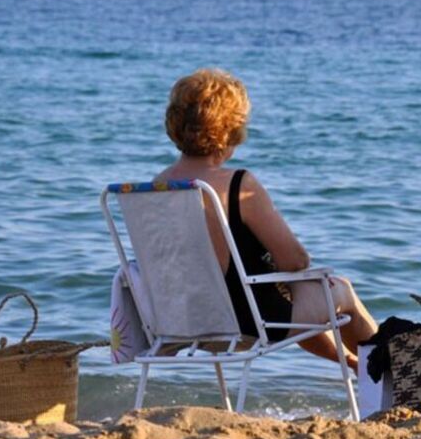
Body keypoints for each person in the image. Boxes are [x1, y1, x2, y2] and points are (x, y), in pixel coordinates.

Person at [153, 68, 377, 367]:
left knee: (291, 297)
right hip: (248, 322)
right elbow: (295, 261)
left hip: (185, 322)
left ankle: (352, 364)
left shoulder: (156, 187)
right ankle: (388, 376)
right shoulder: (238, 184)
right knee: (339, 290)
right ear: (231, 128)